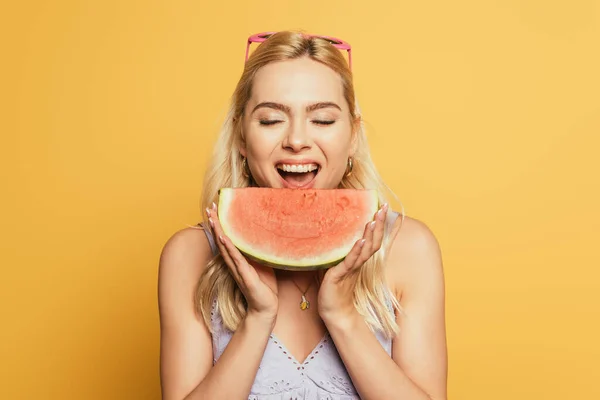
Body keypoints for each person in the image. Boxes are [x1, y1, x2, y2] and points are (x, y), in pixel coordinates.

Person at [158, 30, 448, 400]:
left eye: (323, 120)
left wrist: (342, 316)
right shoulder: (190, 255)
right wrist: (258, 318)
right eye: (270, 120)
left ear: (353, 137)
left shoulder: (409, 249)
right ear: (242, 139)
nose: (297, 140)